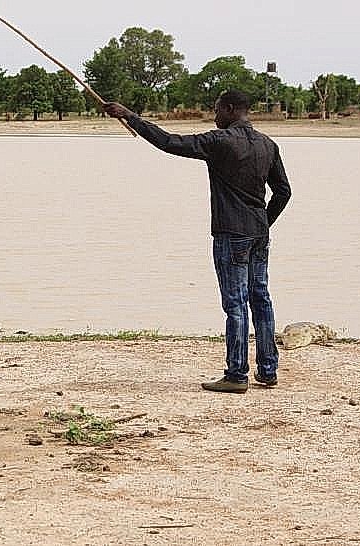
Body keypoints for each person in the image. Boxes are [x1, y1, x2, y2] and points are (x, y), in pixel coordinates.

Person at [103, 90, 292, 394]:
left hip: (231, 233)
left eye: (217, 110)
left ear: (231, 110)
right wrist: (263, 223)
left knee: (236, 303)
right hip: (259, 234)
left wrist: (130, 116)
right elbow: (283, 192)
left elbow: (169, 142)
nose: (214, 115)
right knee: (261, 298)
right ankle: (268, 370)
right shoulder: (268, 144)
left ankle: (236, 374)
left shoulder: (219, 142)